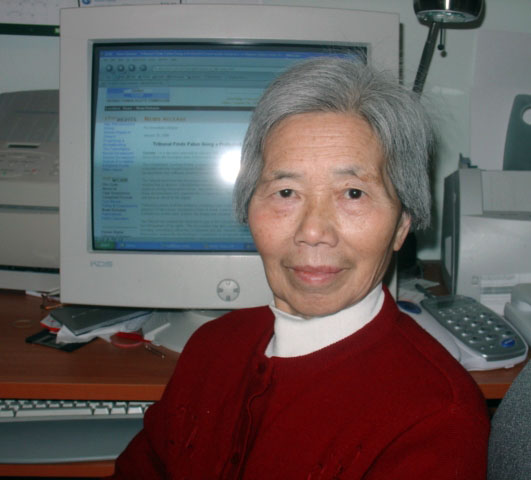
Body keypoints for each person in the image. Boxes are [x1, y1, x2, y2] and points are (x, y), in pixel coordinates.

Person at [109, 57, 490, 479]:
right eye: (286, 192)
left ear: (402, 226)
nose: (312, 232)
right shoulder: (211, 348)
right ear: (248, 207)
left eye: (353, 193)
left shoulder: (436, 420)